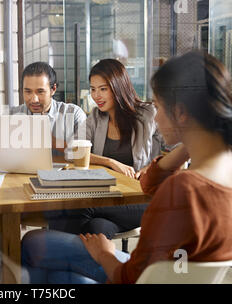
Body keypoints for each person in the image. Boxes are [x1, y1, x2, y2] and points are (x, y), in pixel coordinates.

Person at [21, 50, 232, 283]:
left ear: (180, 113)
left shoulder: (183, 189)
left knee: (34, 242)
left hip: (142, 277)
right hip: (168, 276)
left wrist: (104, 254)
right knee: (89, 238)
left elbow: (129, 277)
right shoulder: (222, 172)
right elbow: (149, 184)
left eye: (159, 107)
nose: (157, 117)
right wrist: (189, 145)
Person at [48, 59, 163, 238]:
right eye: (93, 89)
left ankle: (49, 257)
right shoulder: (96, 117)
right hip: (110, 196)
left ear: (118, 86)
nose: (96, 96)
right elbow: (72, 151)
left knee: (74, 206)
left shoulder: (149, 114)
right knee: (96, 228)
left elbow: (177, 150)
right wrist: (110, 162)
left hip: (142, 198)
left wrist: (151, 167)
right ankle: (100, 264)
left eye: (103, 89)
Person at [10, 61, 87, 157]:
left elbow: (82, 154)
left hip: (64, 171)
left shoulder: (74, 114)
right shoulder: (12, 115)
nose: (34, 100)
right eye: (28, 92)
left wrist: (52, 141)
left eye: (40, 91)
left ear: (53, 89)